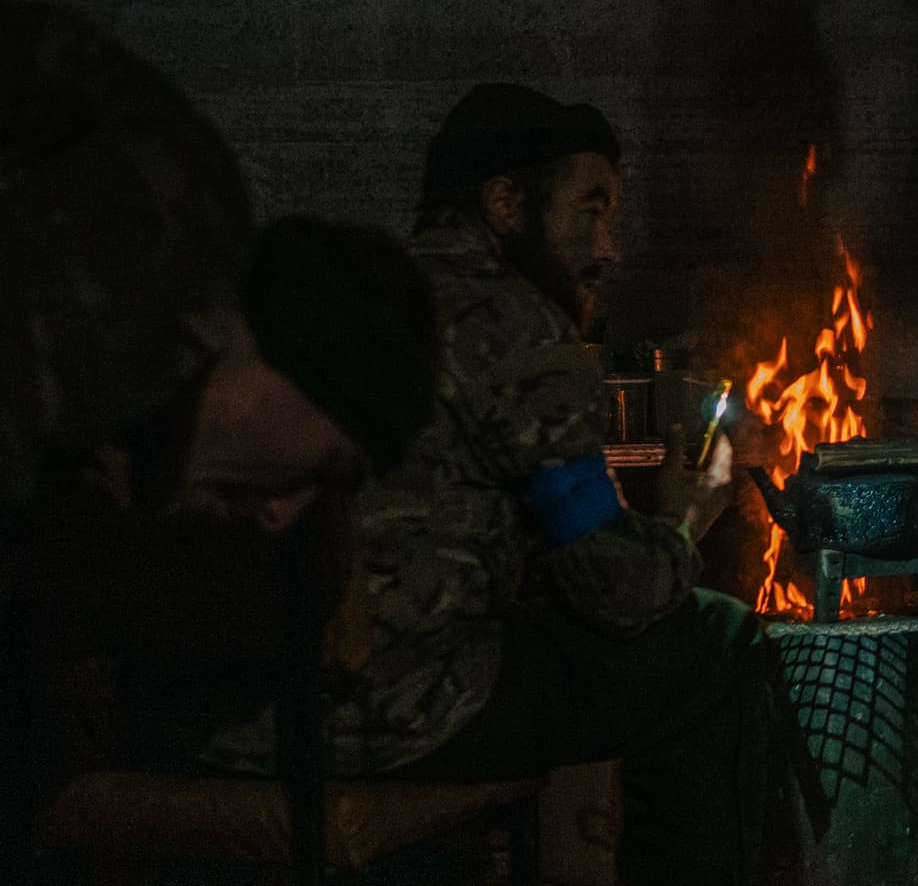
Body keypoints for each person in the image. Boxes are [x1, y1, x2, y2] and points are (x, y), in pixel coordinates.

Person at [204, 83, 770, 885]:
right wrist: (691, 518)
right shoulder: (509, 321)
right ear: (505, 203)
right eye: (591, 210)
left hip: (221, 713)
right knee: (714, 640)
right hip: (384, 709)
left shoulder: (341, 290)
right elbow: (622, 591)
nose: (609, 248)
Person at [0, 3, 438, 849]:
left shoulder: (134, 414)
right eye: (331, 468)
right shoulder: (101, 323)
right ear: (285, 359)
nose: (282, 510)